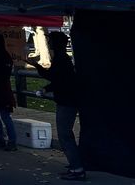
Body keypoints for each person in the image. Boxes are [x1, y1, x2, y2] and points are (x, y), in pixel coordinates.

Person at [28, 31, 84, 181]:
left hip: (67, 102)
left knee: (65, 135)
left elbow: (53, 76)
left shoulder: (61, 60)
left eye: (50, 42)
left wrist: (37, 66)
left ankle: (77, 168)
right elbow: (60, 80)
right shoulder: (63, 59)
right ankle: (75, 164)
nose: (49, 44)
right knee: (66, 134)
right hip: (68, 100)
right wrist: (47, 88)